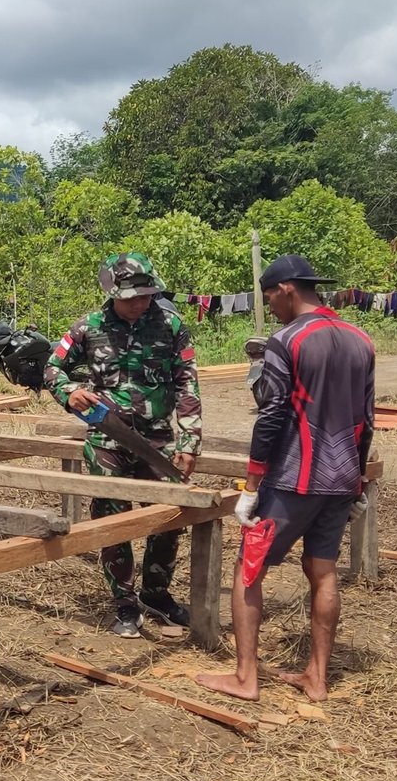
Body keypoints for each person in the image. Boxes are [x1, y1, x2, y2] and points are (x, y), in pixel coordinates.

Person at [197, 254, 376, 703]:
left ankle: (245, 678)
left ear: (286, 290)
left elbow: (272, 414)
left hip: (294, 480)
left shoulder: (287, 340)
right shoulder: (361, 340)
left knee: (248, 569)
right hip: (341, 478)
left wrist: (252, 485)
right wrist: (356, 482)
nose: (271, 306)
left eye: (270, 297)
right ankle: (317, 678)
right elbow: (367, 418)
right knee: (323, 570)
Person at [46, 252, 202, 638]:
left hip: (157, 439)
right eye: (132, 297)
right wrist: (69, 391)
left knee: (169, 515)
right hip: (106, 438)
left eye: (146, 296)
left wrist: (189, 440)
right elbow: (52, 368)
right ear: (113, 294)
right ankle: (125, 602)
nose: (140, 303)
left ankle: (156, 593)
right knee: (112, 520)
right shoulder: (88, 327)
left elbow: (187, 382)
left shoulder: (171, 325)